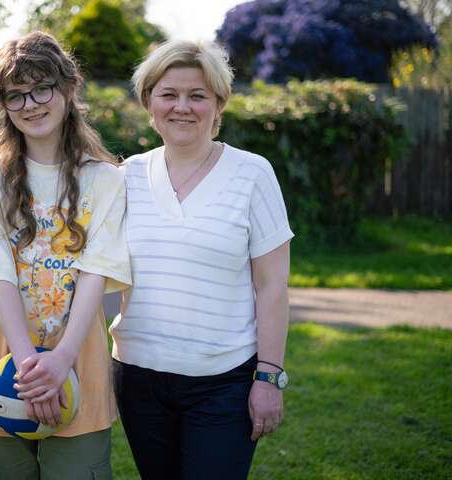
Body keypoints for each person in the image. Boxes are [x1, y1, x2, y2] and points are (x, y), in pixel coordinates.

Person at [110, 40, 294, 480]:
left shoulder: (253, 173)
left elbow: (272, 286)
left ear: (218, 104)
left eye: (198, 95)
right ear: (149, 102)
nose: (182, 107)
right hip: (137, 377)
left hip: (224, 382)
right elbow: (97, 275)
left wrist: (268, 377)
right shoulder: (125, 177)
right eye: (168, 94)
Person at [0, 31, 130, 480]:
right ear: (3, 106)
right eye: (15, 95)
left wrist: (60, 361)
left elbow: (96, 274)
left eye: (42, 87)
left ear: (69, 88)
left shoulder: (106, 180)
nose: (30, 104)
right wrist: (29, 368)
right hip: (3, 368)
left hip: (81, 361)